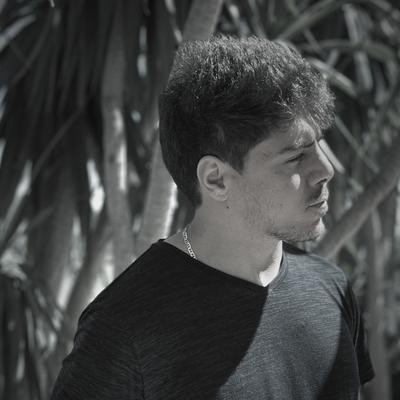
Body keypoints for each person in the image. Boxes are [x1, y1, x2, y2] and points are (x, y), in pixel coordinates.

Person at [51, 36, 374, 400]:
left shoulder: (331, 288)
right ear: (216, 179)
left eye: (318, 146)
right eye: (296, 157)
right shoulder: (125, 328)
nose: (326, 170)